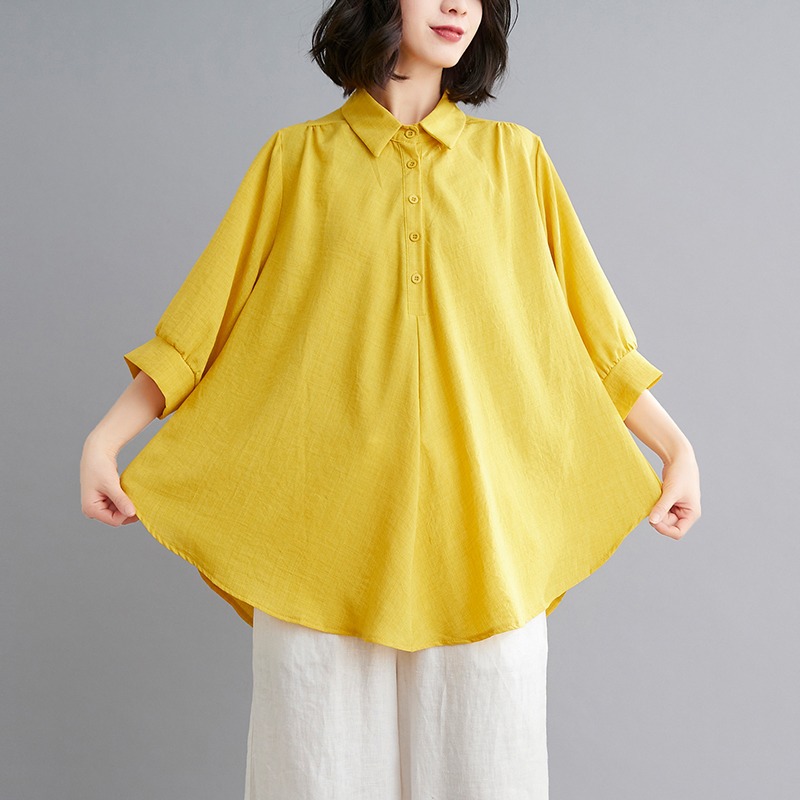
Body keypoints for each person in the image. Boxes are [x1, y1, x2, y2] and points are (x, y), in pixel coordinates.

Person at [80, 0, 701, 797]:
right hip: (316, 540)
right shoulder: (295, 160)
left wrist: (674, 448)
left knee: (490, 775)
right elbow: (200, 327)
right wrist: (106, 439)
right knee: (314, 778)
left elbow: (594, 340)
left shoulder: (517, 162)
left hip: (481, 541)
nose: (457, 6)